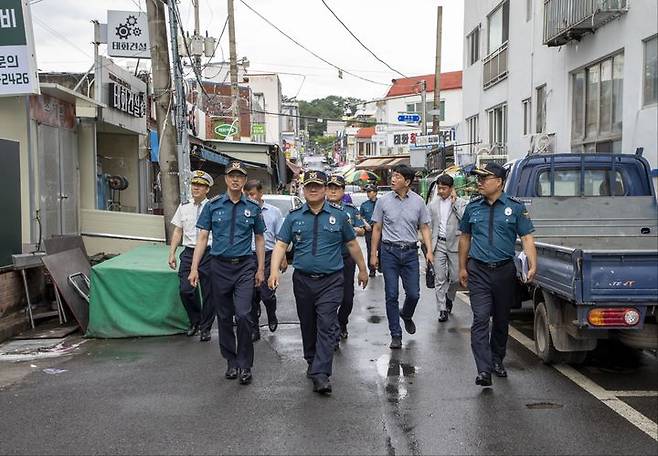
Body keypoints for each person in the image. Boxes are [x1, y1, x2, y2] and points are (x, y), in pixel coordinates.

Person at [268, 171, 368, 395]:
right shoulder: (294, 217)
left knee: (326, 323)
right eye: (309, 186)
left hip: (331, 281)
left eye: (318, 186)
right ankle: (311, 359)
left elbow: (352, 244)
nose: (313, 190)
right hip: (303, 281)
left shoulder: (340, 216)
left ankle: (322, 373)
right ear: (303, 190)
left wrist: (363, 269)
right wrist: (274, 271)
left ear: (324, 189)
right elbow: (281, 245)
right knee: (308, 323)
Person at [458, 162, 537, 387]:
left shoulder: (515, 207)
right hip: (478, 271)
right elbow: (465, 237)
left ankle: (496, 360)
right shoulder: (473, 208)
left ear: (500, 182)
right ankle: (483, 370)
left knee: (501, 320)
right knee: (481, 318)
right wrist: (462, 267)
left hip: (504, 271)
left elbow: (527, 238)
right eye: (479, 179)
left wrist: (532, 264)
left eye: (485, 178)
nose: (479, 182)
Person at [190, 161, 266, 386]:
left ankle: (245, 365)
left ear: (244, 181)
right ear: (226, 179)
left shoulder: (252, 207)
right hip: (219, 267)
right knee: (223, 318)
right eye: (231, 176)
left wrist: (261, 268)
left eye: (239, 177)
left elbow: (260, 239)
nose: (235, 180)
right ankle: (231, 361)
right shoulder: (213, 206)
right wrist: (194, 267)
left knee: (243, 315)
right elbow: (202, 238)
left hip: (244, 267)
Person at [370, 164, 434, 349]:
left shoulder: (418, 202)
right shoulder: (383, 201)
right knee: (391, 294)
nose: (393, 179)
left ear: (407, 181)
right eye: (393, 176)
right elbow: (377, 228)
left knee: (414, 294)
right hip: (389, 252)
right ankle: (395, 334)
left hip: (410, 253)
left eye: (397, 177)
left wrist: (429, 250)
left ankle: (406, 314)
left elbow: (424, 227)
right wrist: (374, 254)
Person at [167, 170, 216, 341]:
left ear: (207, 189)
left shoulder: (214, 207)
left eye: (201, 185)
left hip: (209, 253)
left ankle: (206, 327)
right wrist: (172, 252)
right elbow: (178, 230)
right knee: (186, 290)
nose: (196, 188)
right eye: (194, 184)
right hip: (188, 252)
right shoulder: (184, 206)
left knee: (210, 292)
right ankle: (195, 320)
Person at [244, 179, 286, 341]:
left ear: (261, 193)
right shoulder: (243, 210)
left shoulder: (274, 212)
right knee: (251, 295)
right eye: (247, 195)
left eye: (253, 194)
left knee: (266, 293)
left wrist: (281, 258)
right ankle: (254, 328)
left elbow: (280, 238)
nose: (250, 198)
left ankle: (271, 314)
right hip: (248, 257)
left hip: (269, 255)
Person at [326, 174, 365, 340]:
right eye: (330, 188)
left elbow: (362, 229)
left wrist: (349, 229)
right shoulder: (320, 207)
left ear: (343, 191)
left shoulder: (350, 209)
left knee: (347, 298)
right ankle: (331, 329)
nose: (333, 191)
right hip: (328, 259)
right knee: (328, 298)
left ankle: (342, 322)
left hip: (347, 258)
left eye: (337, 188)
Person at [427, 174, 468, 323]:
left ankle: (449, 297)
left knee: (457, 278)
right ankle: (442, 309)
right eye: (439, 188)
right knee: (440, 278)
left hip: (455, 244)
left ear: (451, 189)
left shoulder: (461, 203)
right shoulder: (433, 204)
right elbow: (429, 226)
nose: (441, 191)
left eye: (444, 188)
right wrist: (429, 249)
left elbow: (465, 220)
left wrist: (455, 202)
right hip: (439, 244)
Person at [359, 184, 381, 277]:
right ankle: (372, 269)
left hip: (381, 230)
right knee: (370, 249)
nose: (368, 194)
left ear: (375, 193)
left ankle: (380, 265)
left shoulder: (381, 203)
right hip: (369, 230)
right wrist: (365, 223)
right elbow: (360, 216)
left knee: (381, 249)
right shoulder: (364, 205)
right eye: (367, 192)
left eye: (370, 191)